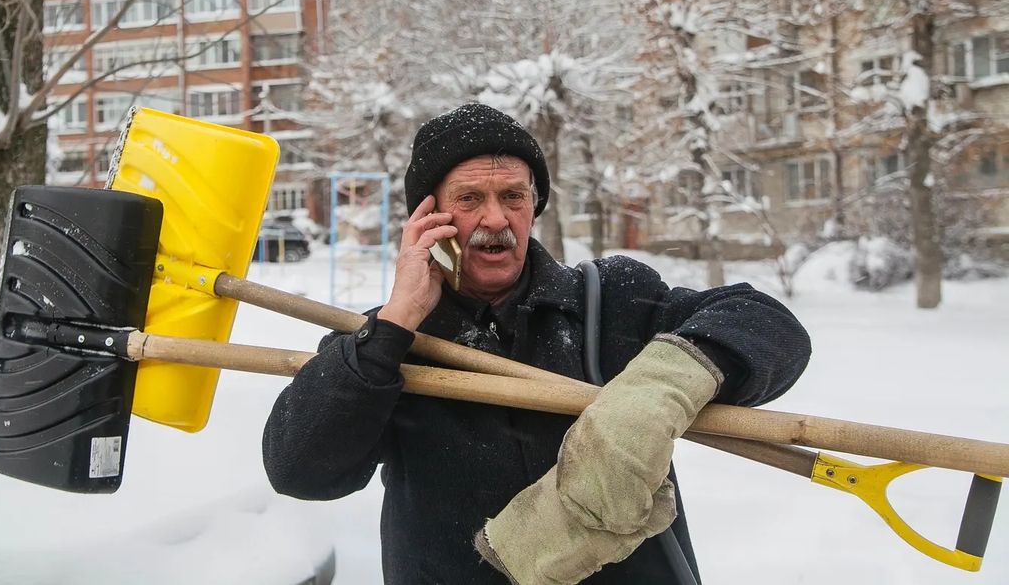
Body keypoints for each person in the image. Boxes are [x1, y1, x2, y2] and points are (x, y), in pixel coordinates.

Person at [263, 102, 811, 583]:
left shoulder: (609, 300)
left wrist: (665, 385)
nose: (495, 218)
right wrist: (396, 323)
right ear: (428, 215)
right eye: (470, 197)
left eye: (513, 196)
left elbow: (766, 322)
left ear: (535, 205)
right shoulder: (379, 343)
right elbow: (299, 470)